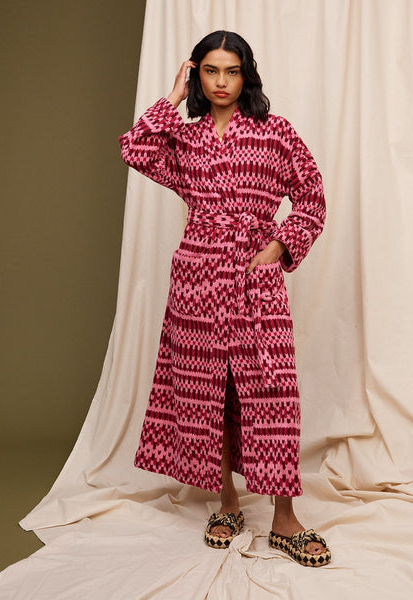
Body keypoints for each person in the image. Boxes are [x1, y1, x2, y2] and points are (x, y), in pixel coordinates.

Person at [119, 30, 330, 567]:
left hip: (255, 277)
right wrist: (172, 98)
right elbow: (134, 149)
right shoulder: (185, 139)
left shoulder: (275, 133)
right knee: (207, 391)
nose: (221, 82)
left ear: (246, 75)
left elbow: (312, 198)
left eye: (231, 71)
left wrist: (278, 247)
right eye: (210, 71)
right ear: (198, 75)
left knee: (272, 394)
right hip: (197, 276)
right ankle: (227, 503)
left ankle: (285, 518)